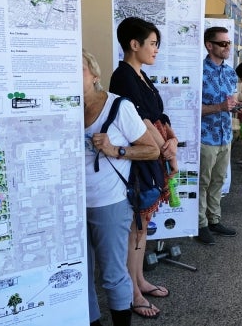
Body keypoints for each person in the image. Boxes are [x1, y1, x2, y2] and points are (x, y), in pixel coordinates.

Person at [83, 49, 160, 326]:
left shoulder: (118, 106)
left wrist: (116, 150)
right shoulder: (62, 109)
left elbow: (151, 150)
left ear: (94, 75)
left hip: (109, 202)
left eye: (78, 70)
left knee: (113, 273)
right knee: (81, 272)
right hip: (72, 205)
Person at [109, 17, 179, 319]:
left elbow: (159, 113)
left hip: (154, 156)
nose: (156, 50)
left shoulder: (142, 76)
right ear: (133, 45)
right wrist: (163, 151)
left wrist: (172, 140)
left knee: (142, 226)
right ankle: (133, 292)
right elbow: (140, 121)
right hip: (139, 161)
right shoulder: (122, 76)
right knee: (135, 226)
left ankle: (139, 280)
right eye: (152, 44)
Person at [197, 26, 242, 245]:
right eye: (223, 43)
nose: (227, 47)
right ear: (209, 45)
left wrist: (235, 107)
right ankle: (200, 223)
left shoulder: (230, 72)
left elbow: (230, 103)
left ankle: (214, 219)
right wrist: (219, 107)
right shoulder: (198, 72)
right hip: (206, 137)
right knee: (203, 182)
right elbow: (192, 108)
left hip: (225, 136)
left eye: (228, 43)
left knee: (218, 181)